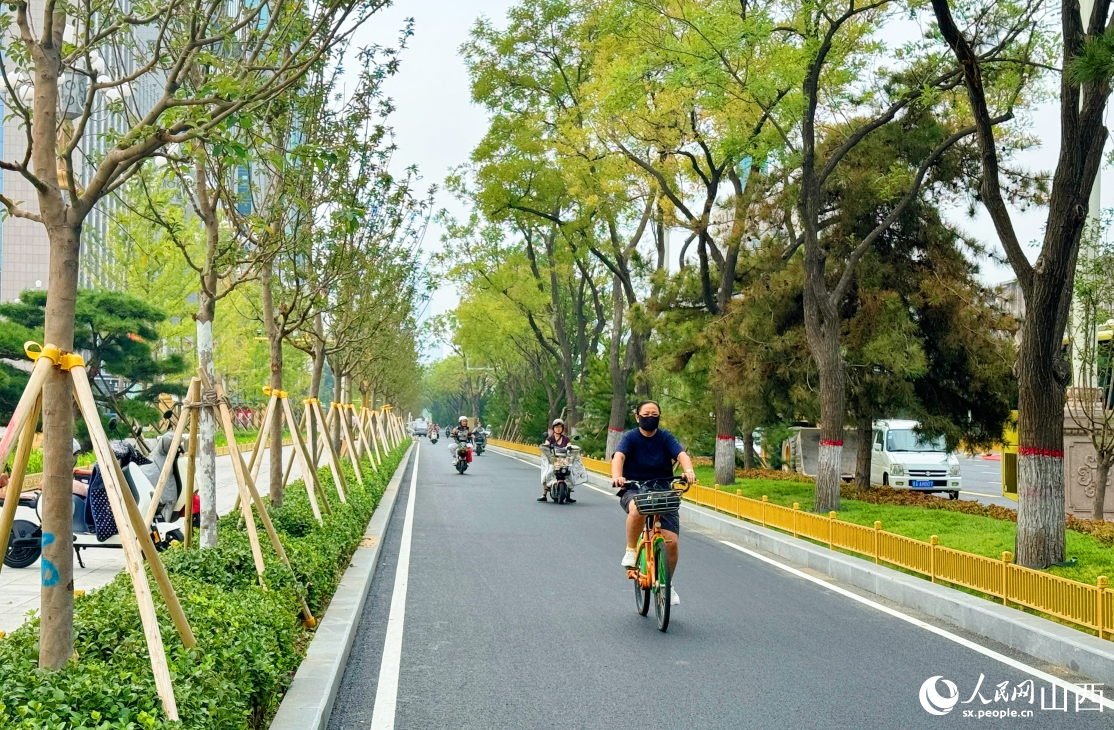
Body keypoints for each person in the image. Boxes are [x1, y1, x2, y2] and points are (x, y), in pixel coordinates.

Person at [611, 400, 695, 606]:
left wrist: (689, 471)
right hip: (634, 488)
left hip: (663, 489)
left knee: (672, 543)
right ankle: (631, 550)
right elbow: (619, 456)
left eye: (654, 414)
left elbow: (682, 455)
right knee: (638, 508)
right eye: (646, 414)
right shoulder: (630, 437)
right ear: (637, 416)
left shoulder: (665, 437)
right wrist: (617, 476)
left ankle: (667, 585)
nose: (651, 417)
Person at [538, 418, 575, 503]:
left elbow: (569, 445)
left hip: (564, 460)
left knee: (570, 474)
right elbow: (546, 445)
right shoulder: (550, 438)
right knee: (548, 473)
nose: (558, 428)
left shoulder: (566, 439)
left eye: (560, 427)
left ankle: (568, 495)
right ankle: (544, 495)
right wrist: (547, 446)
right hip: (553, 460)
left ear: (562, 428)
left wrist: (569, 447)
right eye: (556, 427)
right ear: (553, 428)